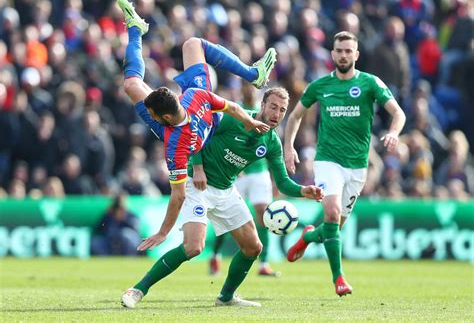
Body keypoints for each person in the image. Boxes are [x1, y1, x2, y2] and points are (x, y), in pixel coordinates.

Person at [121, 86, 324, 308]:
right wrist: (197, 167)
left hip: (226, 191)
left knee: (253, 247)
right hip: (197, 185)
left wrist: (303, 191)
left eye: (283, 110)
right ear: (262, 105)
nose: (277, 114)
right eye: (273, 107)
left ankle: (226, 297)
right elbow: (196, 130)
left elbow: (283, 183)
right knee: (193, 248)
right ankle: (138, 289)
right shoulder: (232, 119)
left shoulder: (271, 142)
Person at [116, 0, 275, 256]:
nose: (151, 115)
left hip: (200, 131)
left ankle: (254, 74)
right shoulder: (198, 94)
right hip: (204, 126)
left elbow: (178, 196)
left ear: (163, 116)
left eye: (153, 113)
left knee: (135, 82)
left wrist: (163, 233)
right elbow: (232, 107)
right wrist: (250, 121)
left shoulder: (174, 145)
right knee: (189, 47)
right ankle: (136, 27)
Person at [284, 31, 406, 296]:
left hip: (357, 166)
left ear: (356, 55)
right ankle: (338, 278)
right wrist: (288, 146)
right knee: (330, 213)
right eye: (339, 50)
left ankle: (308, 237)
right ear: (332, 54)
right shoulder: (319, 86)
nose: (343, 55)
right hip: (328, 160)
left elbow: (398, 113)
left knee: (333, 227)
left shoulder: (370, 83)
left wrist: (394, 133)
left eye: (348, 51)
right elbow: (294, 117)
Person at [209, 82, 280, 277]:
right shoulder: (238, 110)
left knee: (264, 216)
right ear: (242, 88)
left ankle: (264, 263)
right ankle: (215, 255)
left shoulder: (268, 112)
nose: (250, 89)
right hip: (238, 172)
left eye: (253, 86)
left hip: (259, 172)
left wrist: (275, 181)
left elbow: (271, 150)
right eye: (247, 86)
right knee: (226, 218)